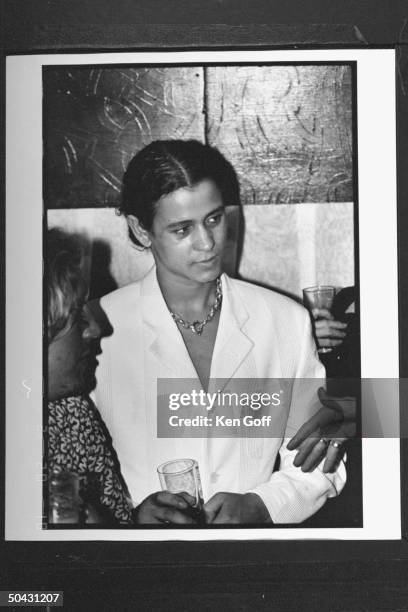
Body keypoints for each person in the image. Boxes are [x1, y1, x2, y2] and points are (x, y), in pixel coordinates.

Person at [93, 139, 346, 525]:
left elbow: (320, 457)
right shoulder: (98, 330)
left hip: (253, 565)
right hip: (134, 569)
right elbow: (62, 473)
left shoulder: (284, 320)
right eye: (182, 229)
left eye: (214, 219)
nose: (207, 243)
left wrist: (262, 505)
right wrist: (128, 518)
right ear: (141, 230)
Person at [46, 228, 134, 525]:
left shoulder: (72, 412)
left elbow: (117, 522)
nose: (96, 329)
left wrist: (138, 523)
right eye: (78, 317)